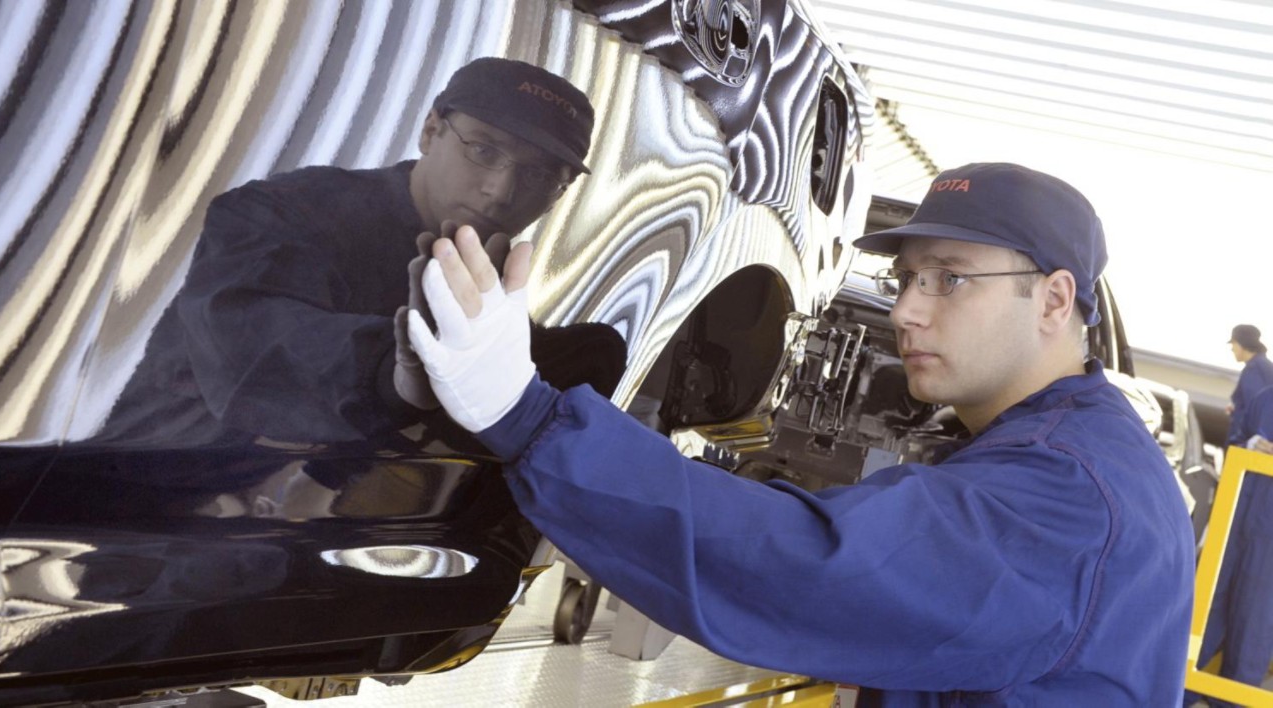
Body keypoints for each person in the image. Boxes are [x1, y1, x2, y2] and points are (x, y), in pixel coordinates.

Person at [405, 162, 1194, 705]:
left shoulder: (1065, 497)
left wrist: (530, 417)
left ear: (1055, 301)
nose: (906, 310)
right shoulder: (1083, 446)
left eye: (950, 277)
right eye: (906, 278)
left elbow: (811, 566)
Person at [98, 57, 625, 453]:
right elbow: (255, 344)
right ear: (431, 130)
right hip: (143, 509)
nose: (501, 191)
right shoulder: (281, 211)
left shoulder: (480, 281)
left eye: (537, 175)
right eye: (484, 150)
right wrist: (392, 372)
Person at [1188, 385, 1273, 707]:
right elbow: (1235, 438)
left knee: (1254, 624)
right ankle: (1177, 692)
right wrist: (1249, 443)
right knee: (1206, 609)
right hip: (1234, 526)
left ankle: (1232, 702)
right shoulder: (1264, 396)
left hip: (1269, 540)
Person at [1224, 324, 1273, 449]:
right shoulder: (1262, 366)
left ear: (1241, 343)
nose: (1232, 349)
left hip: (1250, 447)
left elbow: (1258, 410)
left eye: (1233, 344)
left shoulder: (1255, 370)